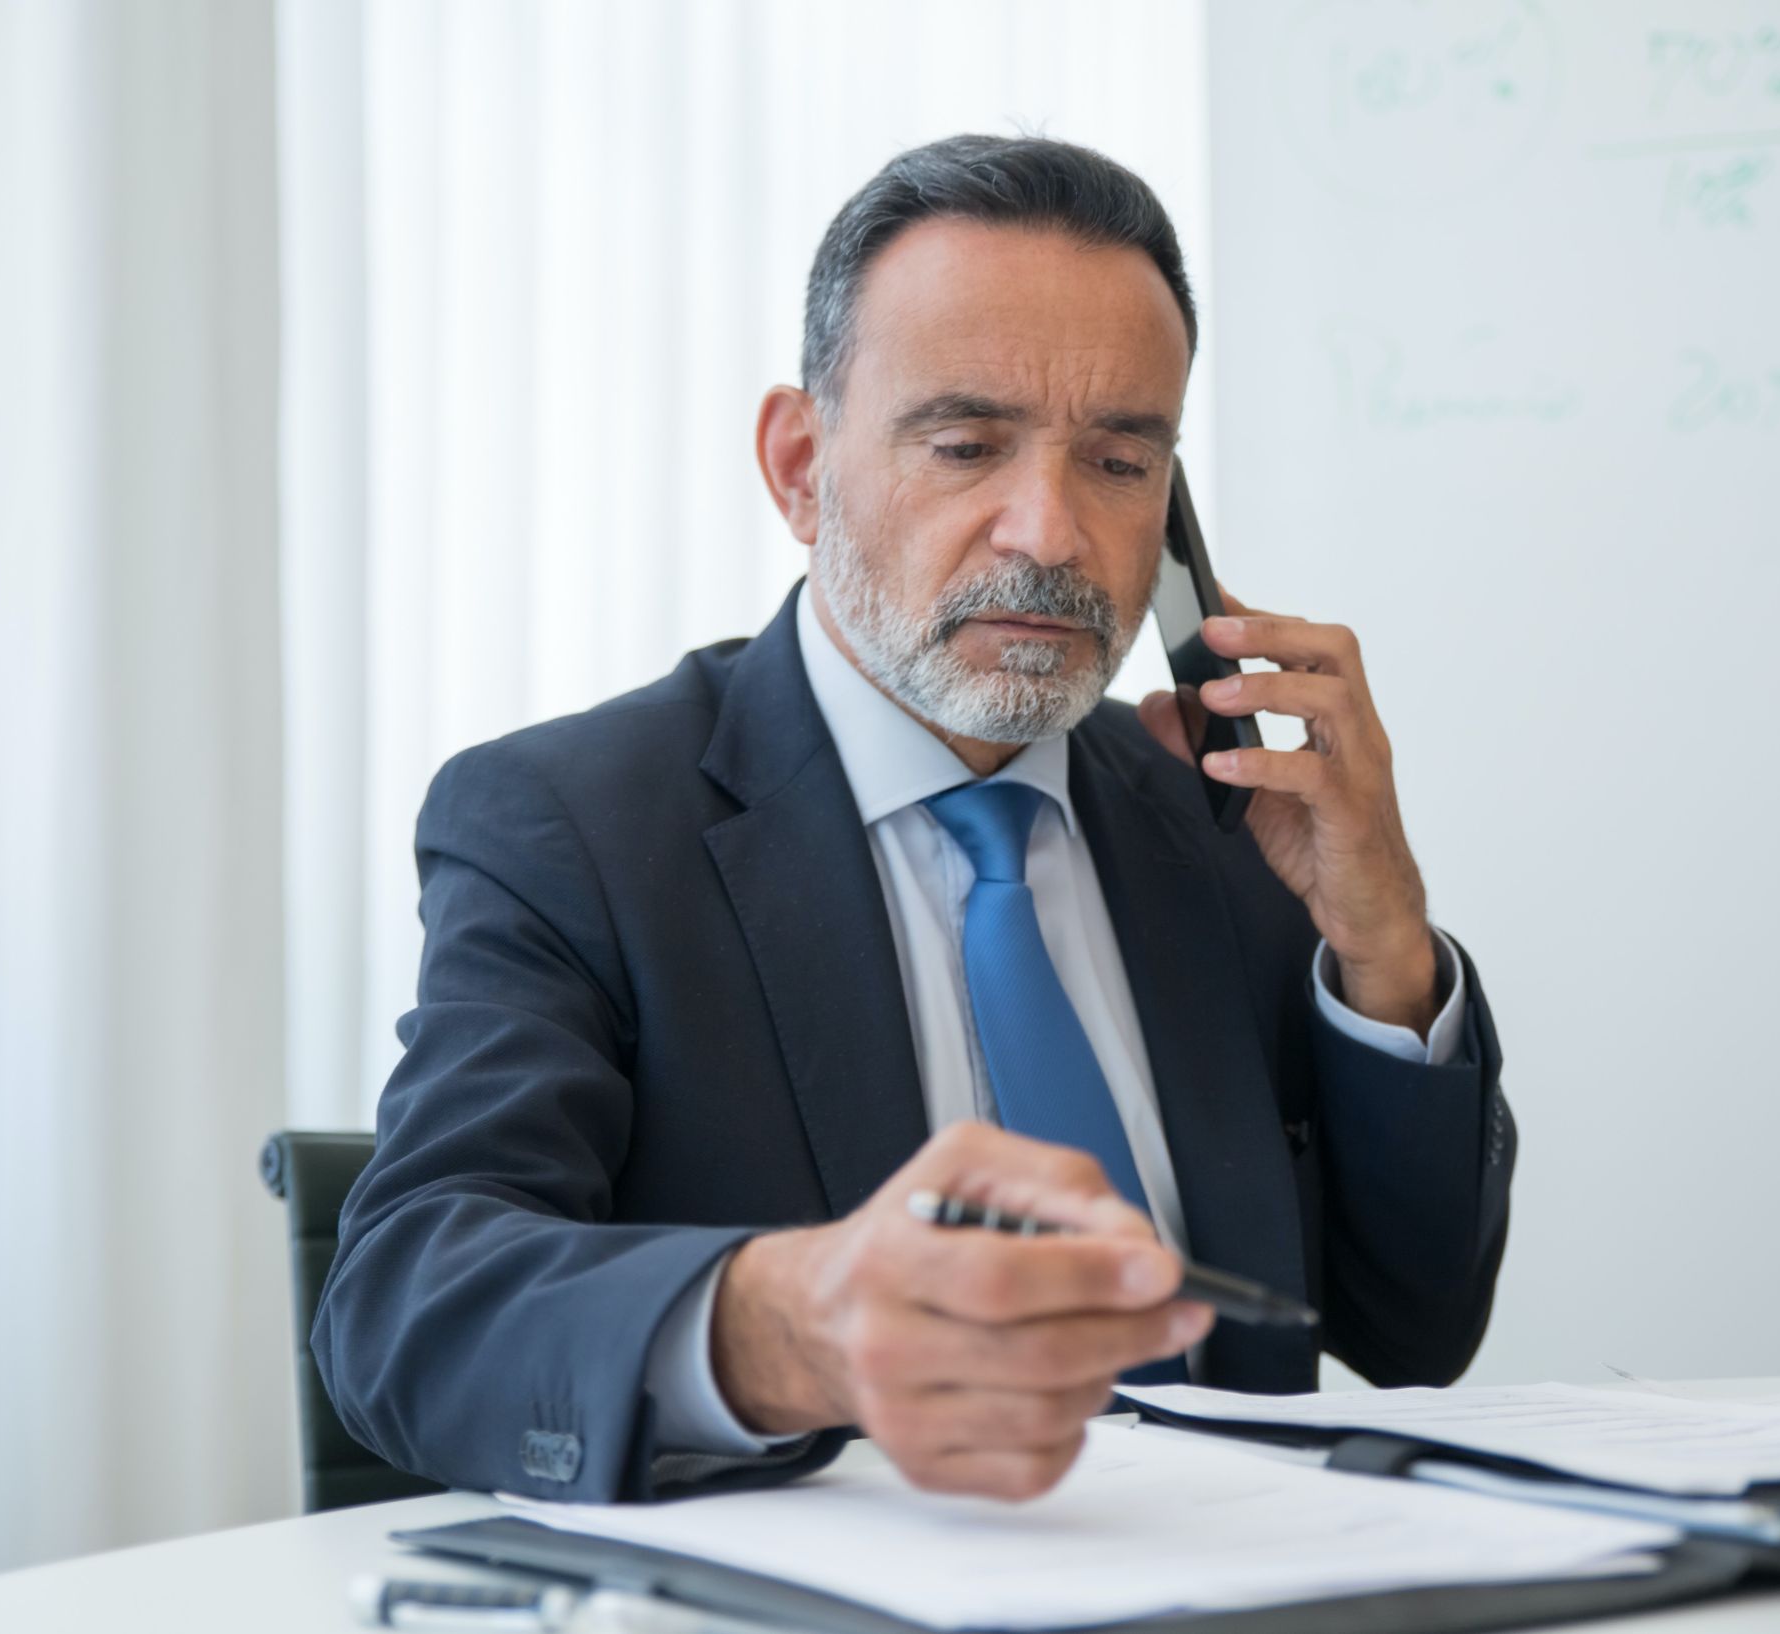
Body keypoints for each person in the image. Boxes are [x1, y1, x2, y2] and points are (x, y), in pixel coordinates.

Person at [311, 134, 1515, 1508]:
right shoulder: (571, 825)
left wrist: (1382, 947)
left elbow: (1415, 1331)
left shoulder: (1226, 818)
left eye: (1121, 463)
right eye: (966, 443)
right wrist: (788, 1323)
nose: (1048, 532)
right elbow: (405, 1302)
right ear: (801, 465)